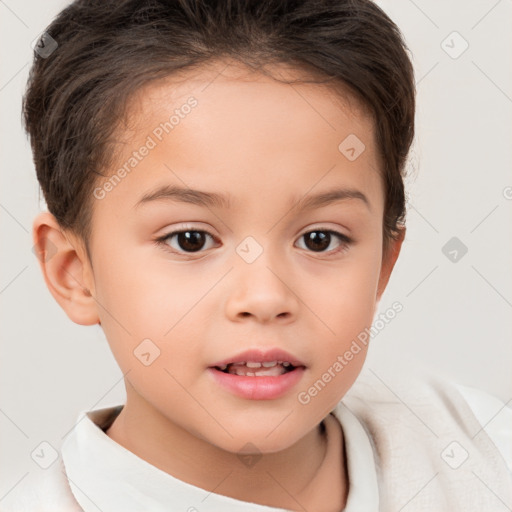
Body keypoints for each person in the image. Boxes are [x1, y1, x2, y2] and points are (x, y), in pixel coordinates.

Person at [2, 0, 511, 510]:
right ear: (73, 272)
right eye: (191, 240)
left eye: (320, 239)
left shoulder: (481, 450)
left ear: (383, 262)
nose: (265, 297)